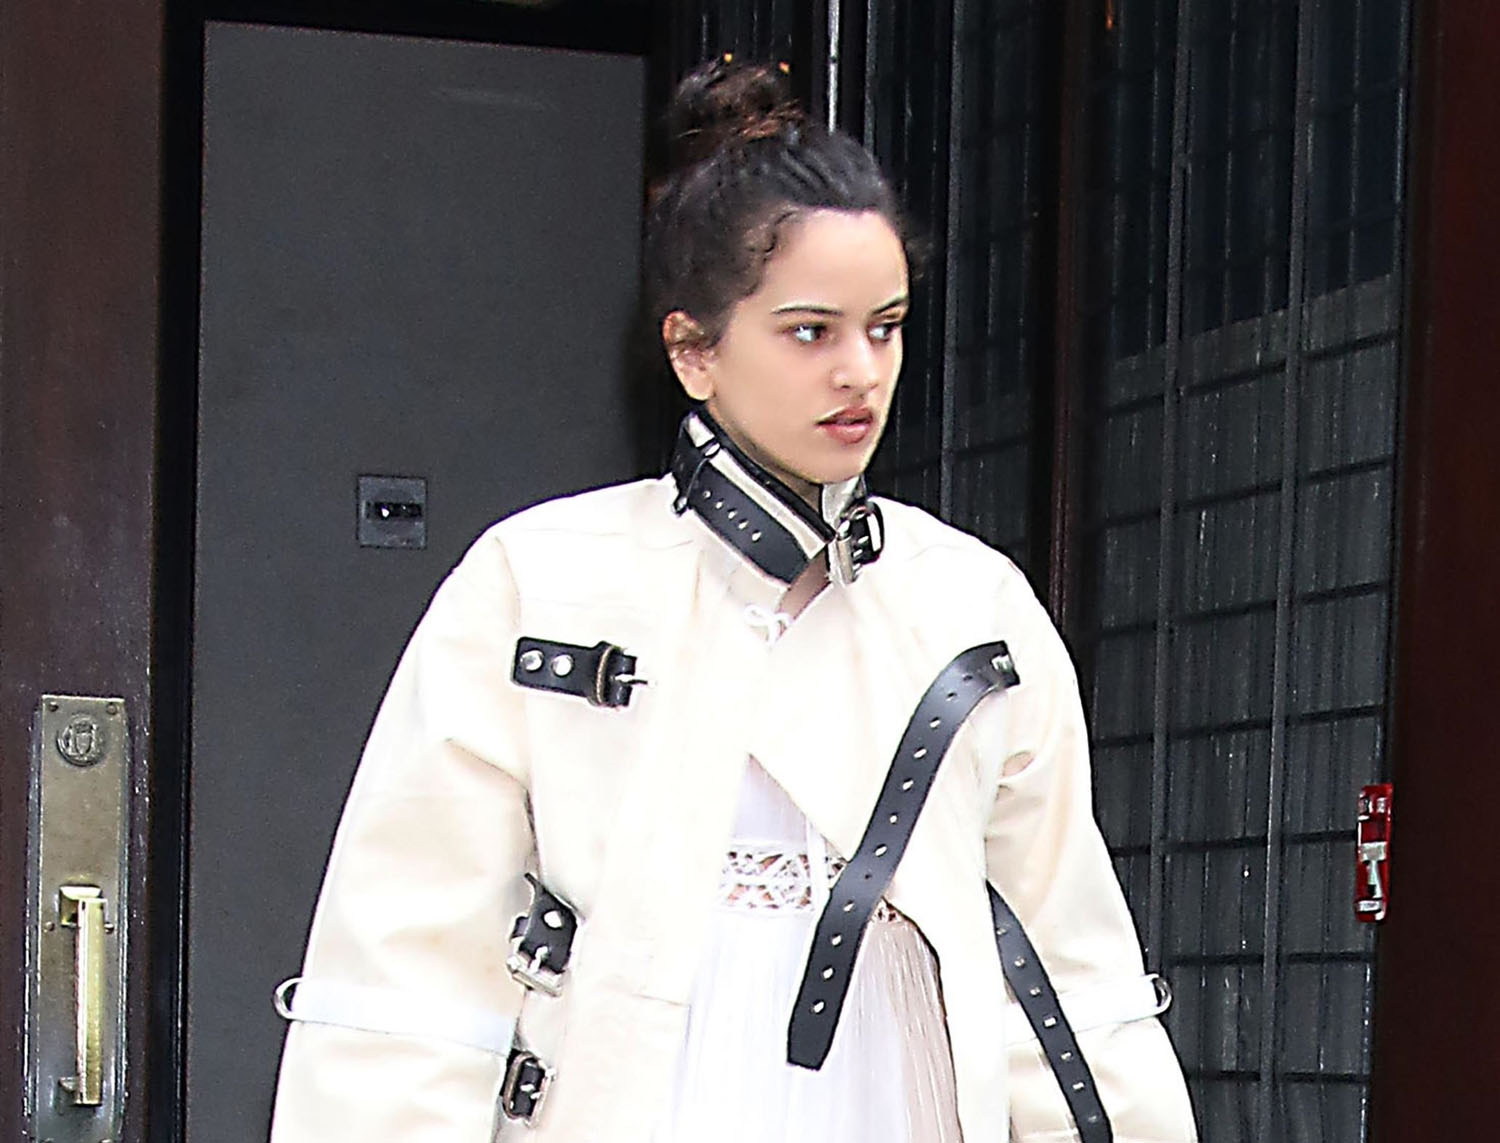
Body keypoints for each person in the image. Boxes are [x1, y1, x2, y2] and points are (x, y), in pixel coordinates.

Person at [268, 59, 1198, 1143]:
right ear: (693, 350)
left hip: (891, 1097)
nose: (860, 372)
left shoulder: (969, 601)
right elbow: (411, 969)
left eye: (886, 326)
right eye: (810, 331)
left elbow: (1063, 964)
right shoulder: (541, 578)